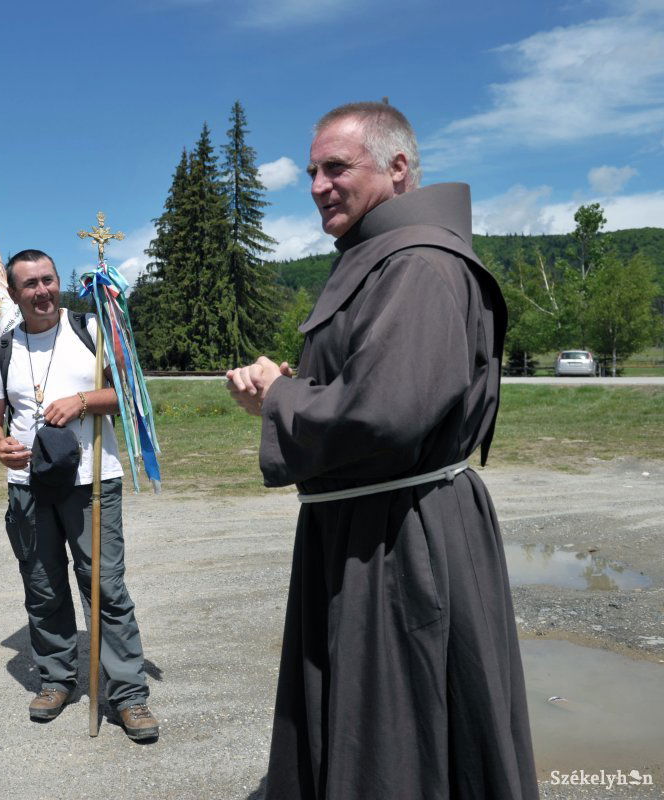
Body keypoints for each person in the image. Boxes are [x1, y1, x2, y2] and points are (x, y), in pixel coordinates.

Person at [226, 102, 537, 798]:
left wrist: (278, 398)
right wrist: (295, 384)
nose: (316, 185)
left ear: (398, 168)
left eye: (336, 167)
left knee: (397, 731)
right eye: (311, 171)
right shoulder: (386, 258)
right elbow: (376, 385)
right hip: (371, 523)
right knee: (374, 723)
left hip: (400, 539)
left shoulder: (420, 264)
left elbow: (386, 411)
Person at [0, 249, 159, 741]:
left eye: (48, 280)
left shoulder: (93, 332)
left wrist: (81, 401)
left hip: (93, 482)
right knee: (43, 587)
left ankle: (127, 694)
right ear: (13, 294)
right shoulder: (1, 347)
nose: (42, 291)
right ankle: (56, 678)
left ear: (60, 282)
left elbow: (129, 393)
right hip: (28, 488)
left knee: (105, 586)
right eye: (30, 284)